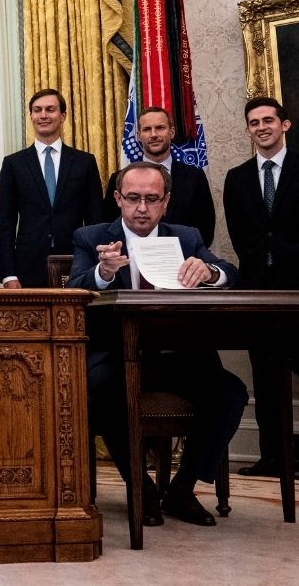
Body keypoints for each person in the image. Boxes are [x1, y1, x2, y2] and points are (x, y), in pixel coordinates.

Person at [68, 161, 247, 527]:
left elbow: (231, 273)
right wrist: (102, 273)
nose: (142, 208)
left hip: (177, 357)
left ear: (166, 201)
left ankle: (182, 489)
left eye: (152, 199)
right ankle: (142, 488)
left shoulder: (186, 237)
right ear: (118, 198)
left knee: (230, 392)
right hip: (116, 356)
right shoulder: (91, 238)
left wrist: (211, 272)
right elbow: (73, 289)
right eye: (133, 198)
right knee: (103, 391)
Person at [223, 96, 299, 479]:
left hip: (298, 289)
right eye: (254, 122)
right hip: (258, 291)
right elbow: (241, 235)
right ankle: (273, 457)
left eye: (268, 120)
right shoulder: (237, 178)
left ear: (284, 125)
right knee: (266, 376)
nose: (261, 127)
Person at [0, 88, 104, 288]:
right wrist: (8, 275)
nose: (43, 115)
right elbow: (6, 224)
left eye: (50, 109)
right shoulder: (13, 164)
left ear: (62, 116)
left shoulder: (84, 162)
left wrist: (96, 265)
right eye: (37, 110)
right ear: (31, 116)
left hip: (77, 263)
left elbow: (95, 219)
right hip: (28, 266)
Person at [102, 107, 216, 246]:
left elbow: (206, 228)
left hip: (184, 261)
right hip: (132, 261)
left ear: (172, 132)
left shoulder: (194, 177)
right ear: (138, 135)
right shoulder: (119, 178)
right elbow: (109, 227)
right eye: (147, 129)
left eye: (160, 128)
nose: (154, 134)